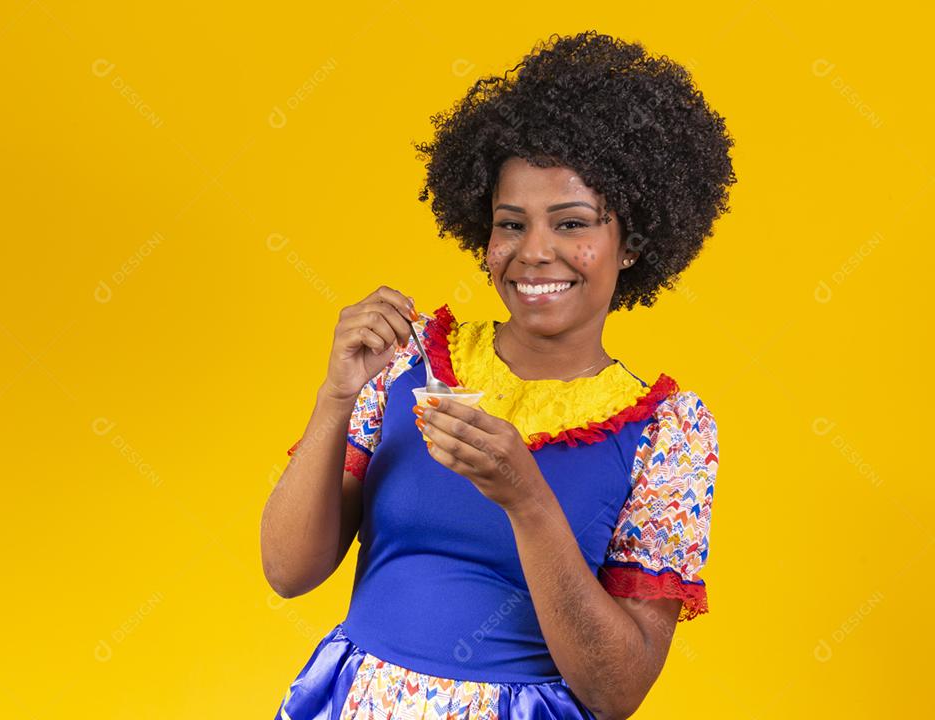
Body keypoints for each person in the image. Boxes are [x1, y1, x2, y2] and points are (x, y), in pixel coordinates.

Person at [261, 29, 735, 720]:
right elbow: (288, 571)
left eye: (572, 224)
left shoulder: (667, 434)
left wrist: (528, 500)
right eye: (511, 224)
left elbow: (618, 690)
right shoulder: (410, 362)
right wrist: (336, 395)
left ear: (632, 244)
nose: (534, 252)